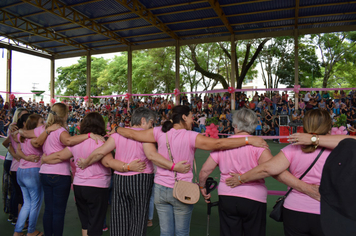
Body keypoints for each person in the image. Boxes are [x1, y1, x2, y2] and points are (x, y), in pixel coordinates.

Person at [112, 105, 268, 236]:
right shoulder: (191, 136)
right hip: (182, 189)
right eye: (192, 116)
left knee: (165, 233)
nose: (193, 119)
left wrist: (116, 128)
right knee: (182, 233)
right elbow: (219, 144)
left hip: (160, 188)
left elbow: (132, 133)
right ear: (184, 117)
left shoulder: (159, 131)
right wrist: (249, 139)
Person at [199, 108, 319, 236]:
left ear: (235, 125)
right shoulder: (259, 145)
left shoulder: (224, 145)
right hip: (253, 198)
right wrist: (306, 188)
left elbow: (205, 171)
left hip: (227, 196)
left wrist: (202, 186)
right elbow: (275, 171)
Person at [75, 108, 190, 236]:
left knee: (119, 220)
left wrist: (86, 162)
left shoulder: (117, 135)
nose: (152, 126)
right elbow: (152, 156)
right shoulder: (146, 136)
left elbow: (100, 152)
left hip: (120, 180)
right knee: (138, 220)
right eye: (151, 123)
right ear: (143, 120)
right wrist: (173, 166)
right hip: (141, 180)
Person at [227, 109, 333, 236]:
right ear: (329, 127)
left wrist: (240, 178)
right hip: (327, 210)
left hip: (295, 210)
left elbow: (267, 168)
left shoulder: (292, 149)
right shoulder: (340, 150)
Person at [41, 112, 143, 236]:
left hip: (79, 187)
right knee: (95, 224)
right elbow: (108, 162)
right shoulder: (101, 143)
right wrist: (127, 166)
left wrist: (45, 159)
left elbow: (59, 156)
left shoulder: (76, 142)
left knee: (85, 223)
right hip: (97, 187)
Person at [20, 103, 104, 236]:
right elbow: (69, 141)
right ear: (65, 115)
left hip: (45, 173)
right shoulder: (60, 131)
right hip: (59, 175)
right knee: (58, 211)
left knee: (49, 209)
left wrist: (17, 130)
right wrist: (88, 135)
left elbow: (23, 133)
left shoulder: (43, 129)